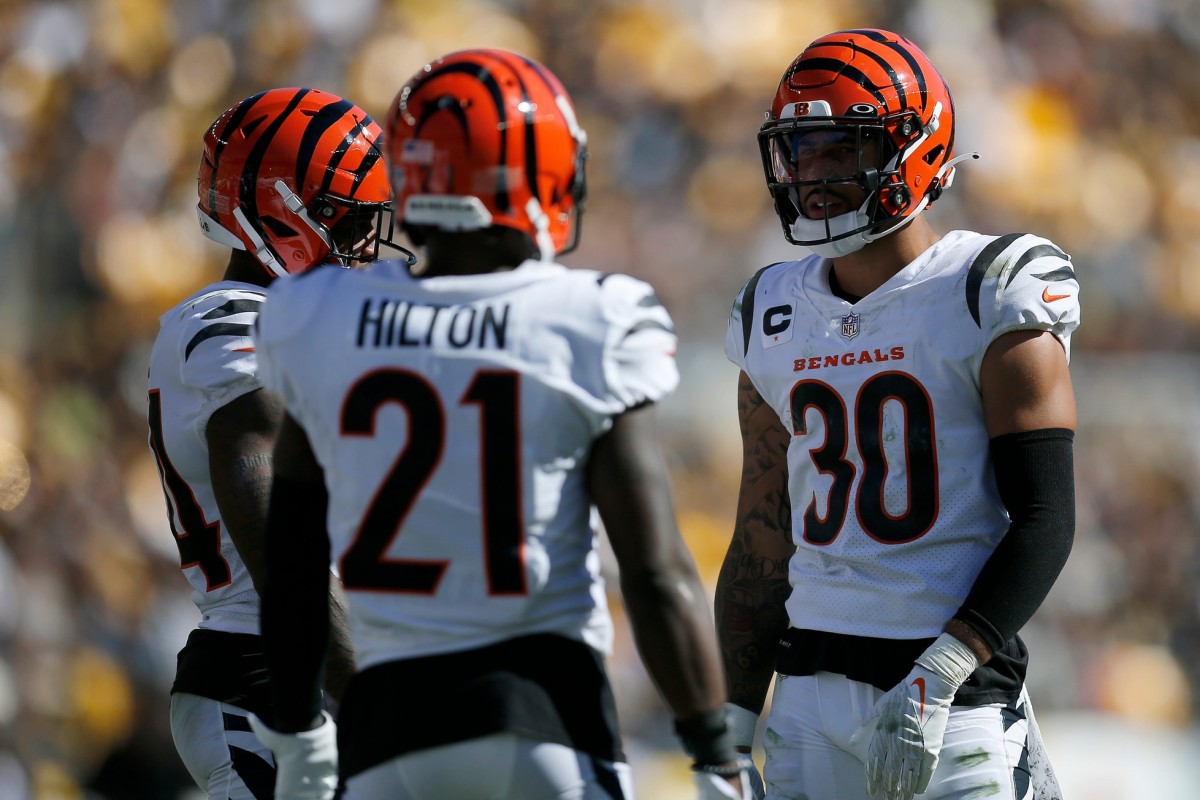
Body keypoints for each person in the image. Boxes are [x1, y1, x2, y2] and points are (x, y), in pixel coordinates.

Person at [244, 48, 751, 800]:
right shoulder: (587, 319)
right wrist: (715, 752)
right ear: (537, 176)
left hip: (385, 733)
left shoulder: (319, 315)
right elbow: (654, 571)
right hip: (543, 716)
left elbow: (290, 563)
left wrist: (297, 731)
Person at [715, 28, 1078, 800]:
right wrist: (733, 722)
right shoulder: (772, 310)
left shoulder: (989, 287)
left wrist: (942, 671)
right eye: (800, 150)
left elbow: (1046, 517)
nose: (813, 175)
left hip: (948, 693)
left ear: (912, 150)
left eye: (840, 149)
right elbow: (761, 536)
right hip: (806, 693)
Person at [146, 87, 402, 800]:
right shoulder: (232, 322)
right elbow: (283, 557)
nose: (364, 245)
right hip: (266, 680)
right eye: (349, 221)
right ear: (289, 213)